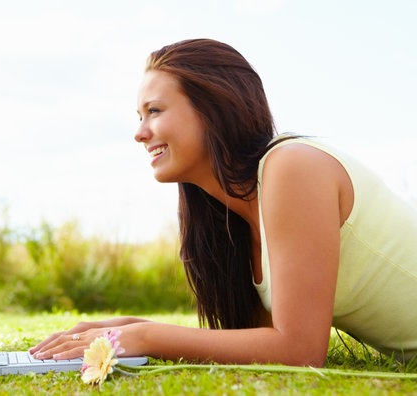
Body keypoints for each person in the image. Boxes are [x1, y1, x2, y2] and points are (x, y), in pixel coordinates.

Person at [29, 38, 417, 367]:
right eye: (139, 115)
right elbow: (263, 340)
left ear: (213, 109)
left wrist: (146, 336)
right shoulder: (237, 218)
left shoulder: (293, 167)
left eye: (154, 111)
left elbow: (300, 351)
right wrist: (128, 328)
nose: (139, 133)